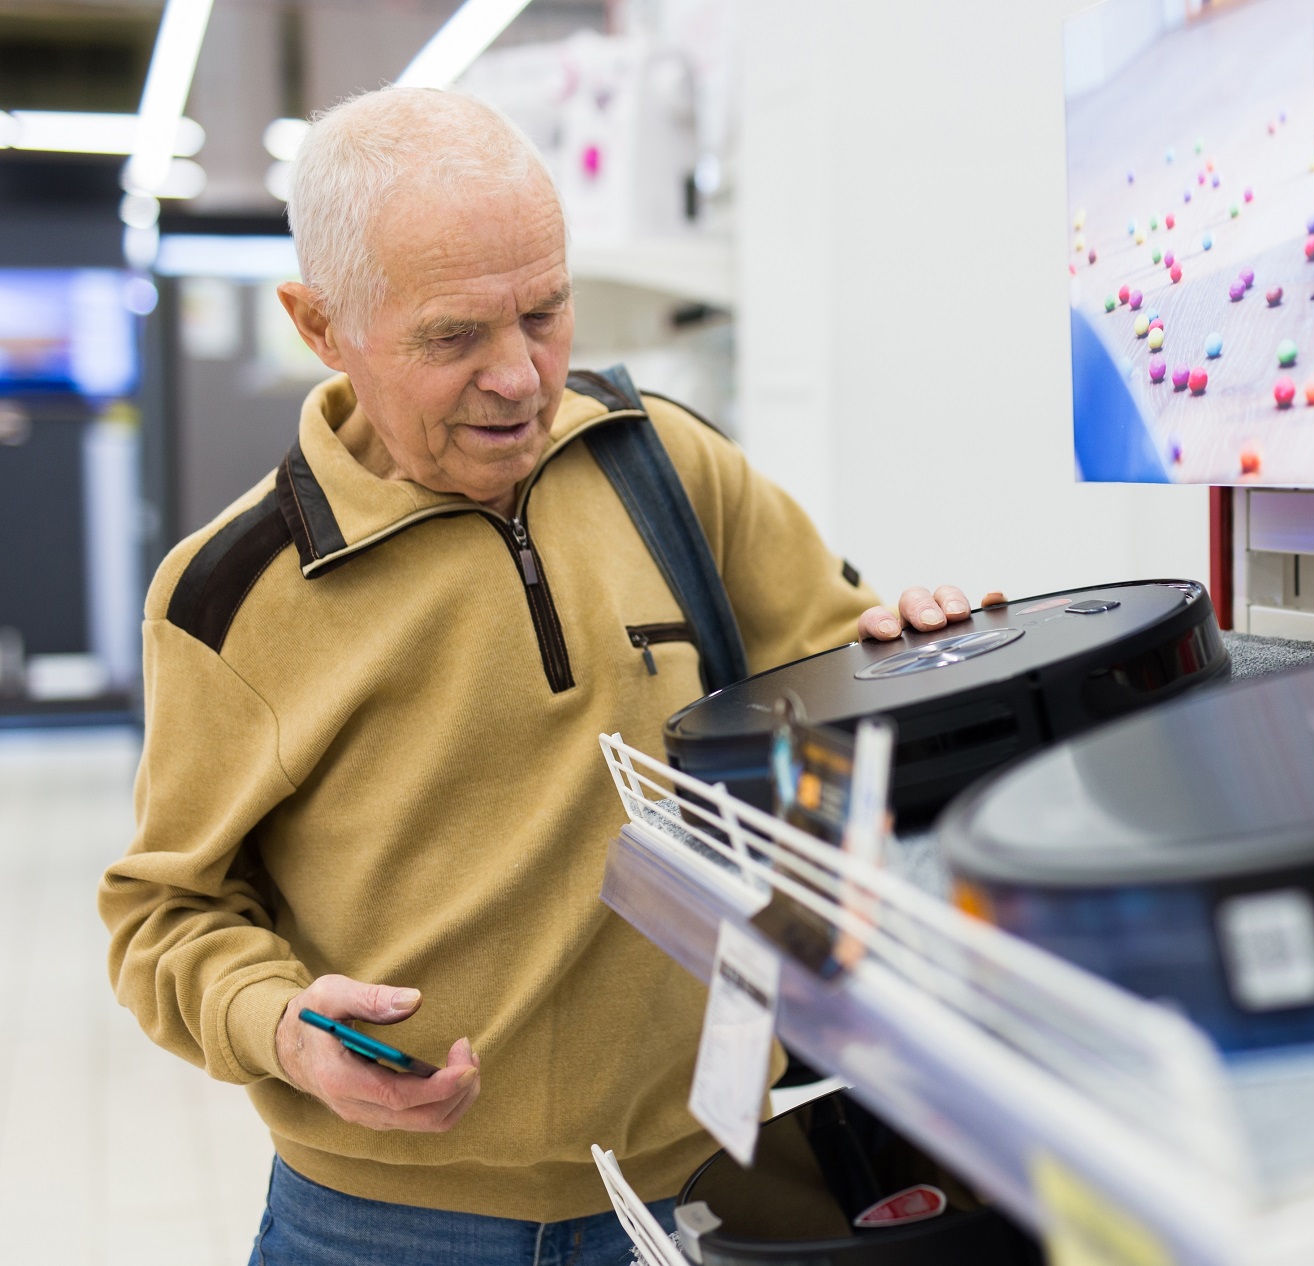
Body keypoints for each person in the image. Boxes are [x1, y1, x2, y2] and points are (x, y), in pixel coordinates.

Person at [99, 87, 972, 1264]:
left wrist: (925, 650)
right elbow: (167, 912)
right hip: (381, 1224)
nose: (520, 377)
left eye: (545, 314)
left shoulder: (660, 462)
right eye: (454, 337)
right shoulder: (229, 595)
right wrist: (279, 1027)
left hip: (701, 1182)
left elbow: (834, 675)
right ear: (321, 325)